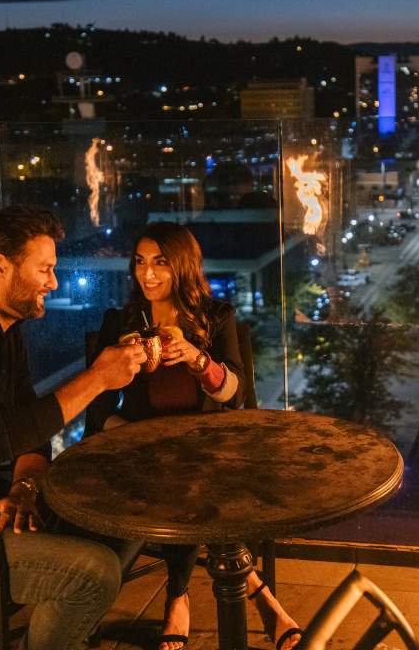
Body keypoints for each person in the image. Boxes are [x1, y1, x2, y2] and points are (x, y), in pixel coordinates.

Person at [85, 222, 303, 650]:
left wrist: (198, 360)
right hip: (143, 457)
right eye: (140, 263)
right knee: (187, 488)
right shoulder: (122, 323)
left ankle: (178, 596)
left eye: (160, 263)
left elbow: (235, 394)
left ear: (182, 266)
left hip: (208, 451)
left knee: (195, 483)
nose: (147, 274)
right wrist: (132, 430)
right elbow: (97, 414)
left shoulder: (214, 318)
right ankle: (256, 593)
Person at [0, 205, 148, 650]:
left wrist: (24, 489)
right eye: (44, 269)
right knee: (94, 573)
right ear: (0, 266)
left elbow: (28, 430)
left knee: (138, 508)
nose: (53, 283)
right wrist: (98, 379)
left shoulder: (7, 333)